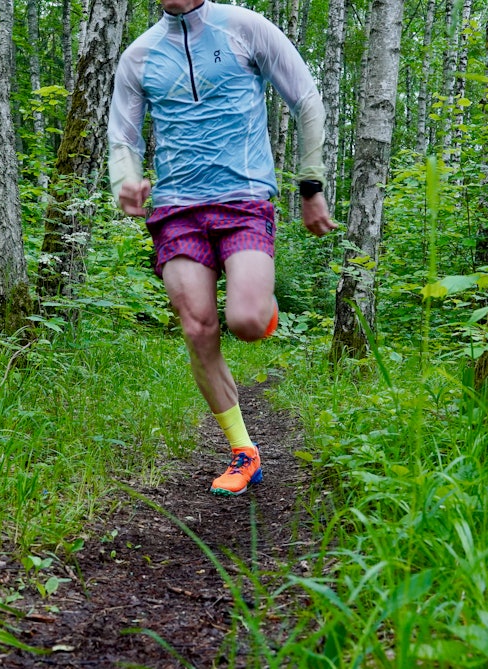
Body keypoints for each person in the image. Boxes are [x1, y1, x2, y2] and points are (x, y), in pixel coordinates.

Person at [107, 0, 335, 496]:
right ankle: (243, 452)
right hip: (176, 209)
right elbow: (123, 135)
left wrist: (311, 185)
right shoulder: (140, 55)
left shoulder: (246, 28)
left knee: (247, 322)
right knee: (198, 327)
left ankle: (260, 303)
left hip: (244, 199)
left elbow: (307, 99)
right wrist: (125, 180)